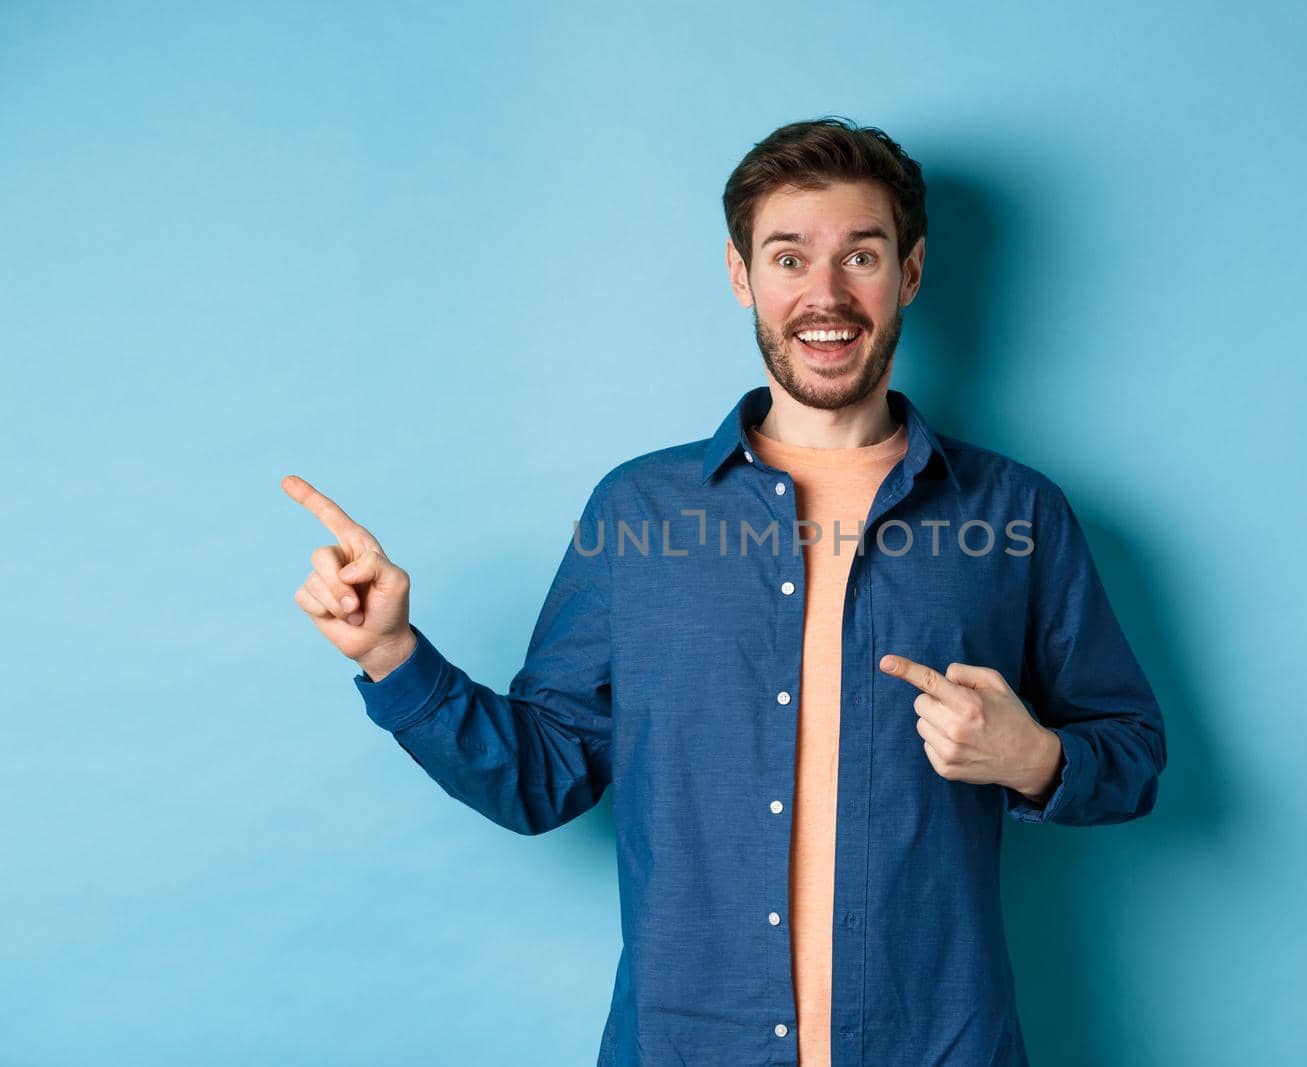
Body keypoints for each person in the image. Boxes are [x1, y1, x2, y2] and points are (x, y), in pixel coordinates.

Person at [283, 116, 1165, 1067]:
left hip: (938, 1044)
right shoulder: (637, 511)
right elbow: (541, 775)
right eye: (789, 258)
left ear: (909, 273)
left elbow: (1132, 752)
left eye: (859, 255)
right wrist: (389, 656)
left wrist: (1033, 755)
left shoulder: (1018, 512)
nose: (824, 295)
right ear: (743, 276)